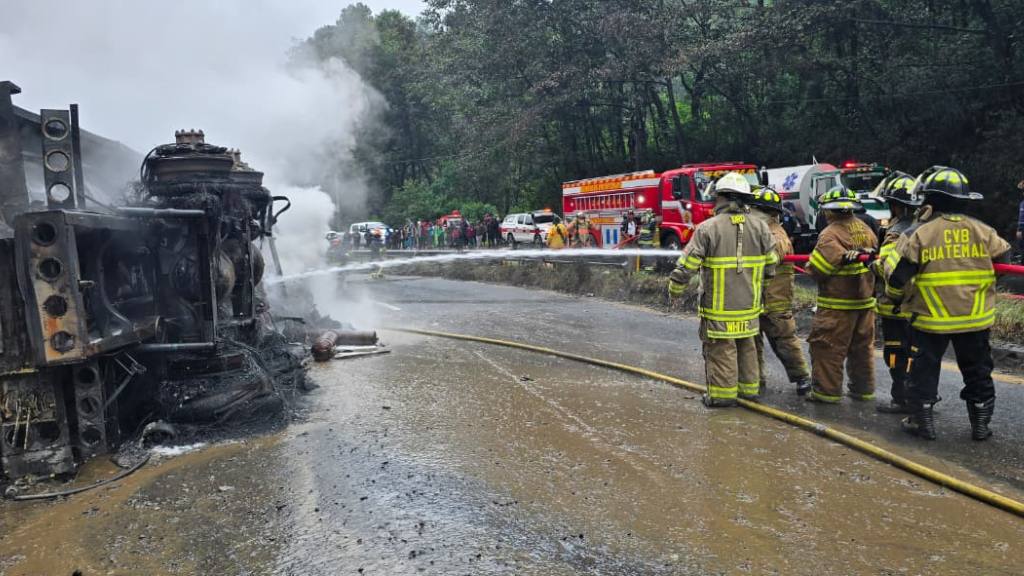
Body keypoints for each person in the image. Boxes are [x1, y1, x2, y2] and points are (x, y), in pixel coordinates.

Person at [884, 167, 1011, 441]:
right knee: (978, 371)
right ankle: (980, 424)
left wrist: (896, 298)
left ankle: (922, 423)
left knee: (924, 371)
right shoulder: (984, 231)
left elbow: (897, 277)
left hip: (931, 318)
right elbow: (1004, 261)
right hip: (975, 318)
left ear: (929, 200)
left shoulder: (920, 234)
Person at [668, 172, 777, 407]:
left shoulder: (708, 228)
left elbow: (687, 265)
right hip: (749, 308)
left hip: (719, 309)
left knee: (721, 350)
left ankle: (722, 396)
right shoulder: (761, 227)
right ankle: (749, 391)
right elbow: (772, 265)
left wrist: (675, 288)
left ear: (723, 198)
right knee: (747, 347)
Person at [805, 186, 878, 404]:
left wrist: (810, 265)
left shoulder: (830, 234)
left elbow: (819, 270)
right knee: (862, 351)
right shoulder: (866, 229)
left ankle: (826, 394)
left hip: (837, 307)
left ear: (829, 210)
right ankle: (863, 391)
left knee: (827, 349)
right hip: (864, 304)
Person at [748, 186, 811, 395]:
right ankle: (754, 379)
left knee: (784, 341)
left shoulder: (776, 233)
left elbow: (774, 253)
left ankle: (802, 377)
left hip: (775, 299)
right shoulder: (757, 231)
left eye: (754, 209)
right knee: (752, 342)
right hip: (755, 297)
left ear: (765, 212)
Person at [873, 172, 921, 413]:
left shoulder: (896, 232)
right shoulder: (925, 229)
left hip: (895, 306)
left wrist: (871, 263)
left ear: (896, 206)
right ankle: (920, 397)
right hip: (920, 306)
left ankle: (901, 398)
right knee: (916, 352)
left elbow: (887, 268)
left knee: (895, 352)